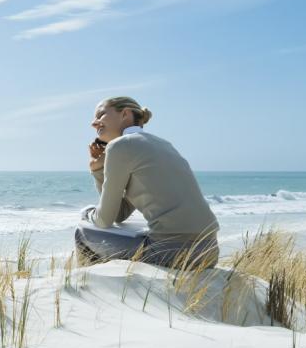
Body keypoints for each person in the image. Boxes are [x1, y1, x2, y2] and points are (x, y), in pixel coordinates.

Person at [76, 96, 219, 269]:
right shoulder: (163, 144)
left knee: (82, 232)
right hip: (209, 251)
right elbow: (120, 215)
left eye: (101, 115)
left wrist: (88, 213)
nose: (94, 123)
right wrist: (97, 168)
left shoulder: (119, 146)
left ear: (125, 114)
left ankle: (95, 290)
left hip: (171, 253)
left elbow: (104, 220)